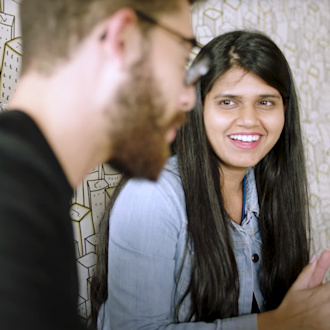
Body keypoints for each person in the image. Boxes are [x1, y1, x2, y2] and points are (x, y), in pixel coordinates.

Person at [91, 30, 330, 330]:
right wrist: (279, 323)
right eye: (228, 102)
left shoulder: (272, 188)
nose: (249, 120)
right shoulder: (151, 194)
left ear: (285, 110)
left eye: (265, 102)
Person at [0, 0, 208, 329]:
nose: (188, 98)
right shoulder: (13, 213)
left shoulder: (30, 195)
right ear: (121, 39)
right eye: (183, 59)